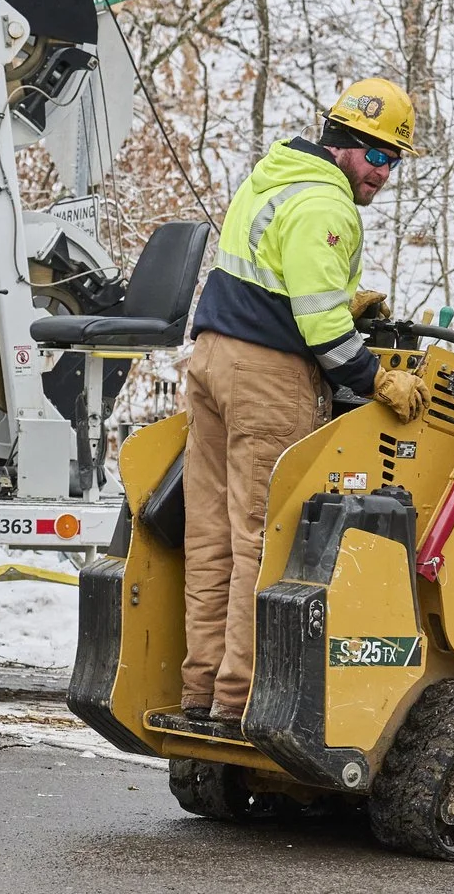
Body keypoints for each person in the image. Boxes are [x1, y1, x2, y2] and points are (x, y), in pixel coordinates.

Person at [178, 78, 430, 727]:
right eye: (378, 156)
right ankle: (242, 699)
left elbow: (278, 276)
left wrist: (343, 300)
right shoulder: (328, 205)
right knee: (265, 537)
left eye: (393, 161)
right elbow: (323, 333)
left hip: (211, 360)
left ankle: (201, 688)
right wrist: (379, 379)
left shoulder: (273, 178)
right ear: (342, 143)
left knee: (212, 536)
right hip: (267, 378)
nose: (383, 173)